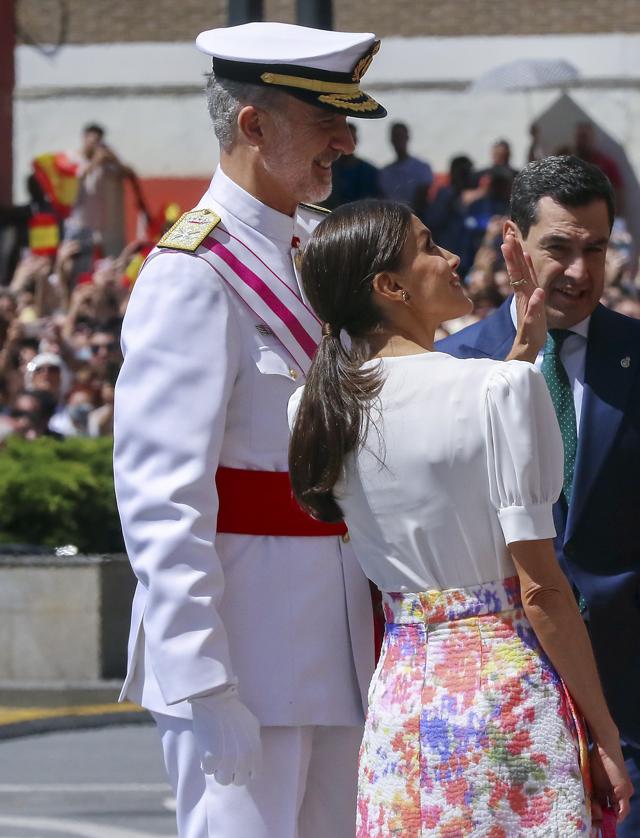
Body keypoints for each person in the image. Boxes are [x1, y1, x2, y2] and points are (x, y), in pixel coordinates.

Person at [112, 22, 386, 838]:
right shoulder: (191, 274)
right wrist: (202, 679)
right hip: (246, 655)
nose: (343, 140)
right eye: (321, 119)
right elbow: (163, 498)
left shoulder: (309, 252)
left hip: (337, 641)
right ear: (254, 125)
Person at [286, 200, 632, 834]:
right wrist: (604, 732)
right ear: (390, 287)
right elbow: (542, 592)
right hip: (506, 697)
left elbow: (443, 433)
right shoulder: (496, 390)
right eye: (428, 247)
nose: (450, 258)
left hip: (400, 704)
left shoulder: (314, 405)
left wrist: (522, 354)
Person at [438, 155, 640, 836]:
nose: (580, 271)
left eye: (596, 249)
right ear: (515, 244)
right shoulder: (455, 366)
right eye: (559, 248)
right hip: (504, 695)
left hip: (631, 698)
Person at [65, 123, 148, 258]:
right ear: (84, 138)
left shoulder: (106, 163)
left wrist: (114, 159)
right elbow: (78, 178)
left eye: (98, 141)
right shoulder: (73, 158)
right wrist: (95, 162)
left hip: (102, 229)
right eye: (92, 141)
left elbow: (129, 173)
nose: (95, 145)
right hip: (79, 223)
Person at [378, 121, 433, 215]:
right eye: (395, 137)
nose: (398, 140)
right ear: (391, 140)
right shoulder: (384, 173)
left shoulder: (422, 168)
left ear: (407, 138)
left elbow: (422, 201)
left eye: (401, 136)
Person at [326, 124, 382, 208]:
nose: (349, 144)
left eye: (353, 139)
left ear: (356, 141)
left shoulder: (370, 171)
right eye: (345, 139)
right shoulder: (326, 169)